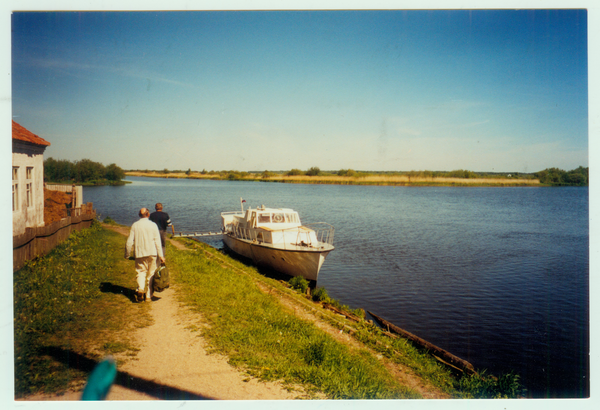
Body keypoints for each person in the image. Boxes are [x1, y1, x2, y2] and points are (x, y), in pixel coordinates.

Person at [125, 208, 165, 302]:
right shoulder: (153, 225)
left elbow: (129, 242)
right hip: (152, 253)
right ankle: (148, 296)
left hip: (139, 253)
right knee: (151, 273)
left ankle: (141, 289)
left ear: (139, 215)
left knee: (140, 272)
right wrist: (161, 255)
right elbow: (157, 241)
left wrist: (127, 254)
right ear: (148, 214)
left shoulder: (135, 225)